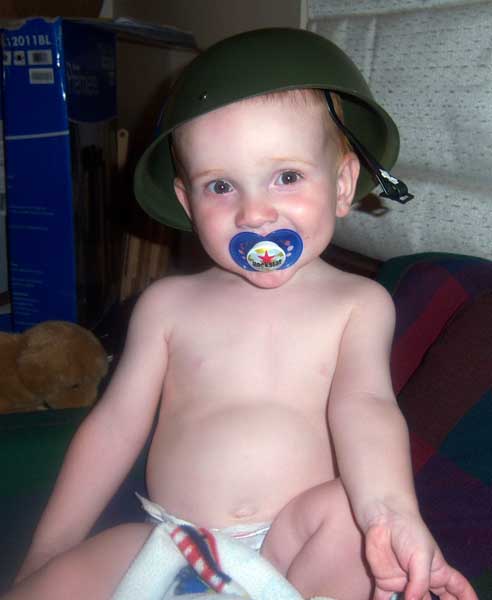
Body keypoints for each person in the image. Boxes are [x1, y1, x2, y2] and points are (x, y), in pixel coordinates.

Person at [4, 28, 477, 600]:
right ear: (187, 202)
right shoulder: (167, 306)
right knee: (61, 578)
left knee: (349, 517)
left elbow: (367, 407)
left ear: (342, 185)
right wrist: (50, 548)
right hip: (168, 541)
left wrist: (391, 513)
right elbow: (114, 426)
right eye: (221, 185)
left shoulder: (357, 304)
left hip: (294, 553)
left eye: (287, 177)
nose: (254, 213)